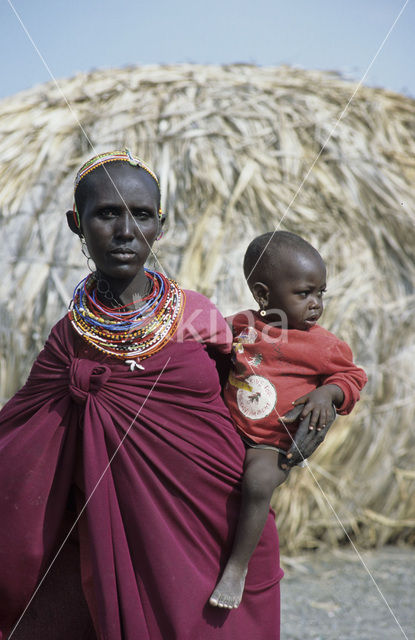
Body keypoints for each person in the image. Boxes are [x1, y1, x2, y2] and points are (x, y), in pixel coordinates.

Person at [0, 152, 328, 640]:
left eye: (142, 214)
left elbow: (269, 387)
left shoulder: (199, 317)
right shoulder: (68, 341)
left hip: (219, 530)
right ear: (77, 223)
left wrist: (318, 415)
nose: (126, 230)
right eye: (107, 213)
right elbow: (26, 445)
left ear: (161, 225)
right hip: (124, 545)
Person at [209, 231, 367, 609]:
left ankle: (237, 568)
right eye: (304, 293)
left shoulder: (323, 345)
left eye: (321, 293)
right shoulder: (243, 325)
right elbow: (208, 342)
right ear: (264, 295)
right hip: (228, 426)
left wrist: (327, 393)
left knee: (259, 481)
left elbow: (352, 377)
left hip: (270, 443)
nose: (316, 304)